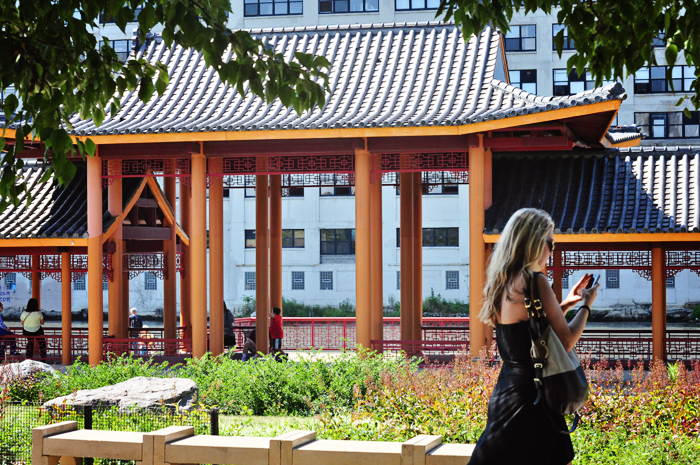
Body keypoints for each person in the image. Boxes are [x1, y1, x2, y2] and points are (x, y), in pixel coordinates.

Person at [468, 208, 599, 465]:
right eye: (551, 242)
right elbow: (566, 340)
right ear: (534, 242)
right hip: (536, 394)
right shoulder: (536, 280)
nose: (552, 250)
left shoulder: (503, 281)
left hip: (509, 388)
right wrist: (586, 304)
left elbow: (529, 328)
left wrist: (566, 304)